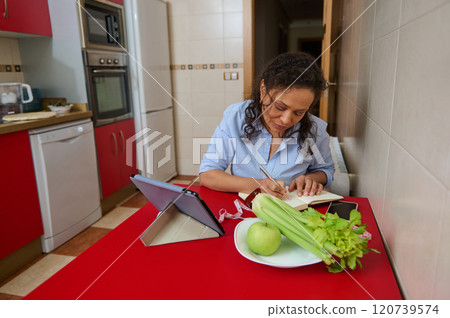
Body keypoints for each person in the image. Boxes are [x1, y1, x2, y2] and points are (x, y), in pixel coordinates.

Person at [199, 52, 334, 199]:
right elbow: (208, 174)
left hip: (291, 208)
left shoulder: (316, 130)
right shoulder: (236, 117)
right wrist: (259, 185)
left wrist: (312, 179)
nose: (285, 120)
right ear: (263, 90)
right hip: (242, 206)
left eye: (299, 113)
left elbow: (325, 170)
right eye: (280, 107)